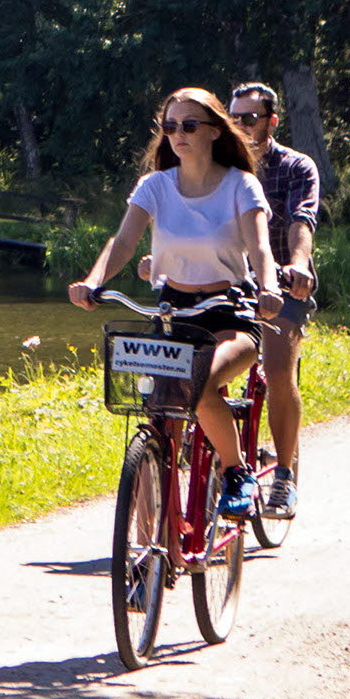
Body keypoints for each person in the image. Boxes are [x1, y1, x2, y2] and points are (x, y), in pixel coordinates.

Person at [67, 85, 278, 516]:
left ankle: (237, 472)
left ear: (215, 130)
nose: (178, 134)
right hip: (173, 311)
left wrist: (269, 288)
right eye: (170, 126)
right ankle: (154, 531)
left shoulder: (241, 185)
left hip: (229, 311)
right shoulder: (155, 186)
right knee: (159, 409)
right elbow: (123, 242)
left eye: (189, 125)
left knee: (199, 384)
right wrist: (93, 281)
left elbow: (260, 248)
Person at [229, 80, 323, 516]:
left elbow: (302, 220)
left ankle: (283, 476)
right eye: (233, 118)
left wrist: (299, 264)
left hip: (284, 283)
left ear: (271, 121)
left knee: (279, 367)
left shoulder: (296, 167)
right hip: (229, 280)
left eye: (249, 118)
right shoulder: (220, 168)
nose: (240, 126)